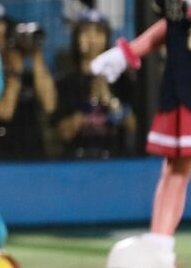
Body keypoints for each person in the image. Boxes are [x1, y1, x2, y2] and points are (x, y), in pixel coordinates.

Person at [0, 5, 56, 161]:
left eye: (5, 33)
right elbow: (4, 112)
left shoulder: (25, 75)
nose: (2, 41)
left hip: (32, 157)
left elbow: (49, 105)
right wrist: (15, 74)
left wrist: (35, 53)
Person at [55, 11, 135, 158]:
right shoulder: (67, 82)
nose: (91, 39)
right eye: (85, 32)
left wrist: (110, 99)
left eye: (98, 32)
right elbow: (63, 134)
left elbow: (133, 127)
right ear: (76, 39)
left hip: (117, 159)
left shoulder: (121, 80)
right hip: (76, 158)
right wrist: (90, 103)